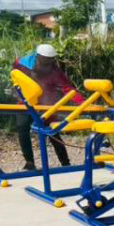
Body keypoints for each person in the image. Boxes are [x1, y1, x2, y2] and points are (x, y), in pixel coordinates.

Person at [12, 43, 82, 171]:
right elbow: (15, 76)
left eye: (50, 62)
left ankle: (65, 163)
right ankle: (29, 163)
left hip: (46, 104)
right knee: (22, 128)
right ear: (37, 57)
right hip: (25, 102)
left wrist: (82, 102)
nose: (47, 66)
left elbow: (67, 88)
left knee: (53, 132)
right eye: (45, 62)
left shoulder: (54, 70)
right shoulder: (22, 64)